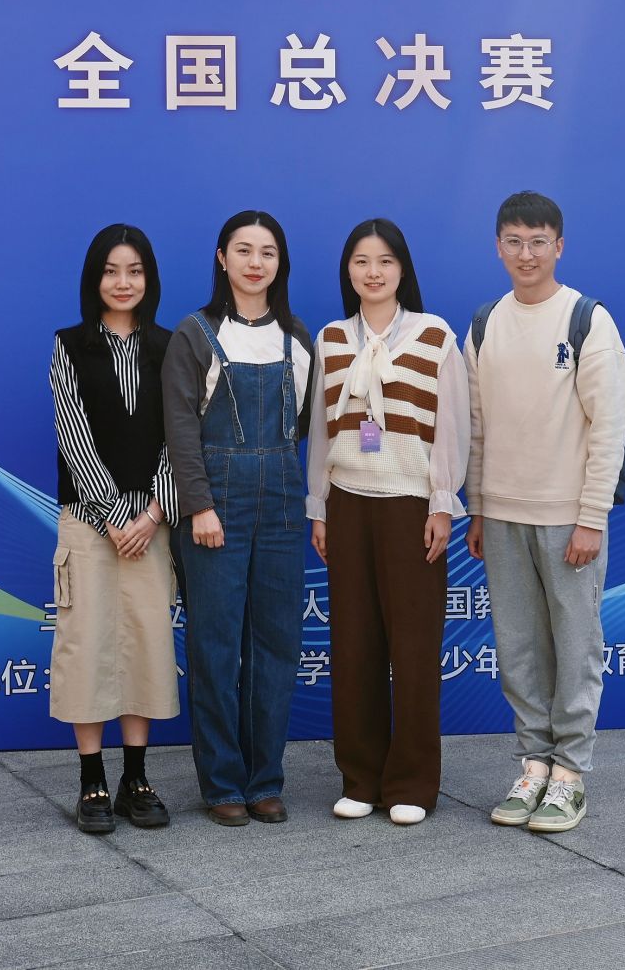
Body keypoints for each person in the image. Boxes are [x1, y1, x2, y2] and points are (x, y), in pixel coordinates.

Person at [465, 191, 625, 835]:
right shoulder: (485, 324)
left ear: (559, 246)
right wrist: (478, 508)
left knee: (576, 644)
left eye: (538, 242)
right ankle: (532, 764)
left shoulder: (587, 320)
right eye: (514, 241)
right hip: (503, 516)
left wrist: (591, 517)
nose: (526, 254)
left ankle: (569, 775)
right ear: (498, 247)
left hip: (569, 517)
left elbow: (609, 427)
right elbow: (476, 428)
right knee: (518, 647)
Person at [305, 218, 468, 826]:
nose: (372, 273)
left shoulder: (434, 335)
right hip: (347, 502)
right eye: (361, 262)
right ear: (347, 271)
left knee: (415, 649)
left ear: (403, 269)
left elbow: (452, 428)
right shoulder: (330, 340)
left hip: (410, 506)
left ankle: (412, 783)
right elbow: (321, 432)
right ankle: (361, 778)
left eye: (385, 261)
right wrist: (319, 506)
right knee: (354, 647)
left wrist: (442, 502)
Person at [162, 211, 312, 826]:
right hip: (214, 504)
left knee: (276, 643)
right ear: (222, 258)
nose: (256, 263)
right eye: (243, 250)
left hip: (283, 503)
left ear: (280, 263)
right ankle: (223, 783)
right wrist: (200, 505)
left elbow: (303, 424)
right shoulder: (194, 333)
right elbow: (180, 430)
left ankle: (264, 780)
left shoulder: (296, 337)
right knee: (216, 644)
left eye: (267, 252)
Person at [49, 224, 179, 835]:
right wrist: (113, 516)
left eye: (134, 271)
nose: (122, 282)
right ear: (93, 278)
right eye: (110, 271)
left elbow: (182, 436)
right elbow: (71, 430)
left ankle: (136, 778)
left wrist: (151, 515)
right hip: (88, 522)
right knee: (88, 643)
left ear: (149, 278)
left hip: (151, 524)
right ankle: (91, 779)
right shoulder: (69, 346)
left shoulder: (171, 346)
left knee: (145, 642)